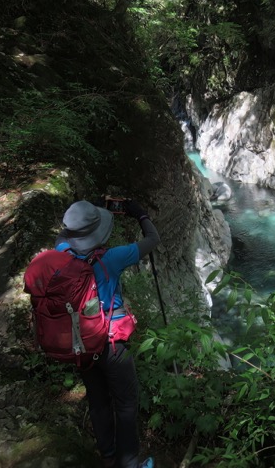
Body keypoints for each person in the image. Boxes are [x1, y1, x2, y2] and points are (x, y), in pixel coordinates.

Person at [55, 198, 160, 468]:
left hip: (81, 343)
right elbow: (152, 239)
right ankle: (130, 464)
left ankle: (109, 458)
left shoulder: (60, 254)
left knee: (98, 400)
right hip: (112, 345)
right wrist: (140, 213)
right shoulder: (112, 258)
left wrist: (84, 218)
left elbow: (63, 234)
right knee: (125, 404)